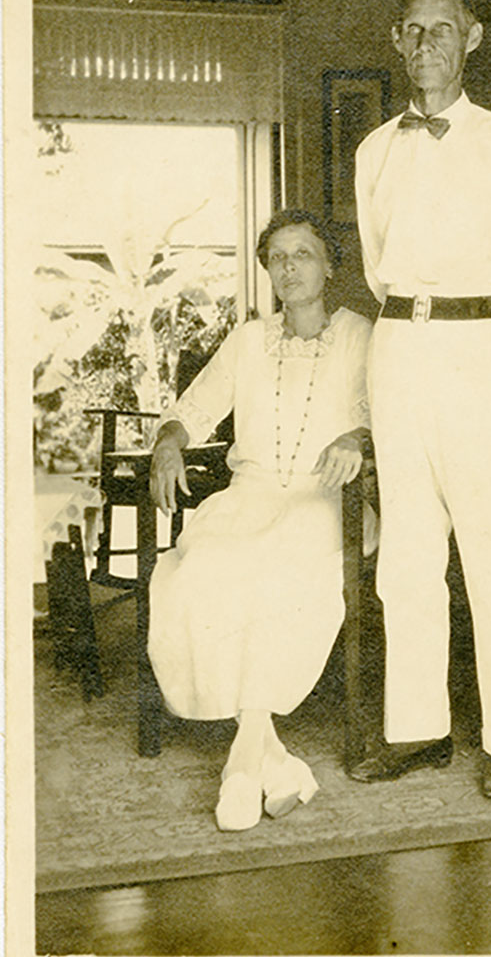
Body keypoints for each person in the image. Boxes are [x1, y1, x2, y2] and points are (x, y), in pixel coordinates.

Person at [353, 0, 491, 799]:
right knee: (406, 551)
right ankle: (419, 729)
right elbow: (373, 260)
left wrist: (484, 334)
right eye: (414, 29)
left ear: (472, 38)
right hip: (398, 344)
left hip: (477, 345)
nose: (427, 42)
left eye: (444, 28)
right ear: (398, 40)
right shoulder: (374, 151)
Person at [147, 209, 371, 831]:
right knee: (205, 564)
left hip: (326, 500)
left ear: (330, 266)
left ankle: (243, 766)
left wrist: (356, 436)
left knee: (279, 571)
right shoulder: (249, 340)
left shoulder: (361, 334)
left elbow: (386, 413)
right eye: (277, 257)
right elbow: (193, 407)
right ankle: (259, 759)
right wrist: (169, 441)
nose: (288, 267)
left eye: (302, 254)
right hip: (248, 495)